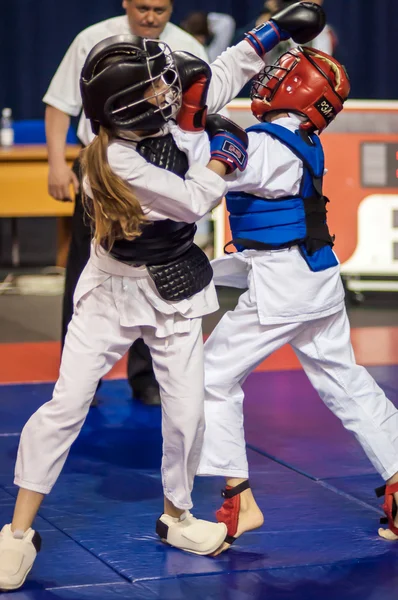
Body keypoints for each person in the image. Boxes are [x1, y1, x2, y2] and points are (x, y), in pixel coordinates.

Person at [0, 4, 328, 590]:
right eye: (157, 84)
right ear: (132, 107)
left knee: (186, 411)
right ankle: (18, 533)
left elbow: (224, 70)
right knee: (67, 405)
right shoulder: (119, 161)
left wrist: (275, 31)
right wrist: (228, 157)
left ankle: (177, 515)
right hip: (112, 290)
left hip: (175, 284)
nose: (168, 87)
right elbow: (195, 199)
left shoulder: (159, 113)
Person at [196, 46, 398, 554]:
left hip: (284, 285)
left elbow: (208, 179)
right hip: (316, 277)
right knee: (345, 379)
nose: (267, 80)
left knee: (210, 377)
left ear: (297, 88)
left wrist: (190, 130)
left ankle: (236, 497)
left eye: (281, 75)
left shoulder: (265, 145)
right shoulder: (301, 139)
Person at [44, 0, 209, 406]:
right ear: (125, 3)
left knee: (159, 268)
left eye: (160, 9)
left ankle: (147, 377)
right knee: (88, 266)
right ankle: (82, 379)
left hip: (164, 167)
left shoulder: (187, 48)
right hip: (103, 165)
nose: (150, 17)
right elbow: (59, 103)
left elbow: (201, 115)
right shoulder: (93, 40)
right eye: (142, 7)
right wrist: (55, 164)